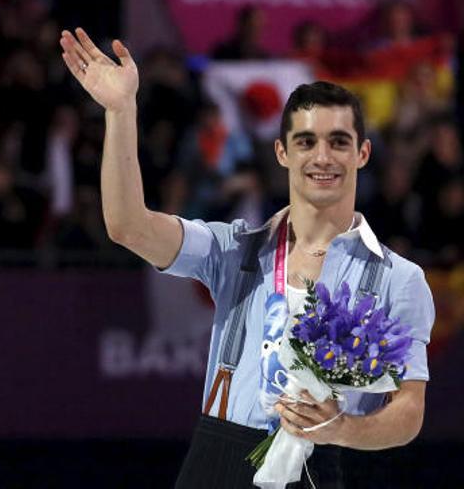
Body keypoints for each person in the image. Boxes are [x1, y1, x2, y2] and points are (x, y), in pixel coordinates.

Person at [60, 28, 434, 487]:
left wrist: (344, 428)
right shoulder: (233, 248)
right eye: (305, 142)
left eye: (339, 141)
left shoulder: (400, 279)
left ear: (363, 153)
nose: (323, 157)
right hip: (216, 462)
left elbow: (409, 410)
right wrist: (120, 112)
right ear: (281, 152)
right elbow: (128, 226)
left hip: (315, 468)